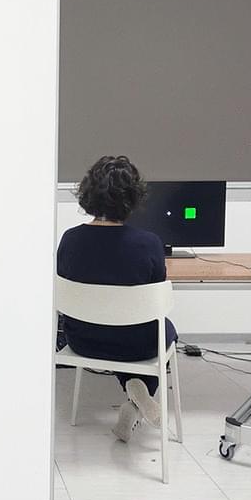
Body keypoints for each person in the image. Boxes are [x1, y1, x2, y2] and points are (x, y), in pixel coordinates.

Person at [56, 155, 177, 442]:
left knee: (115, 331)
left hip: (82, 340)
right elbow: (154, 298)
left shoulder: (70, 240)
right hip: (135, 345)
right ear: (132, 197)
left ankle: (134, 395)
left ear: (88, 193)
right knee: (166, 330)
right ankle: (136, 394)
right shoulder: (149, 243)